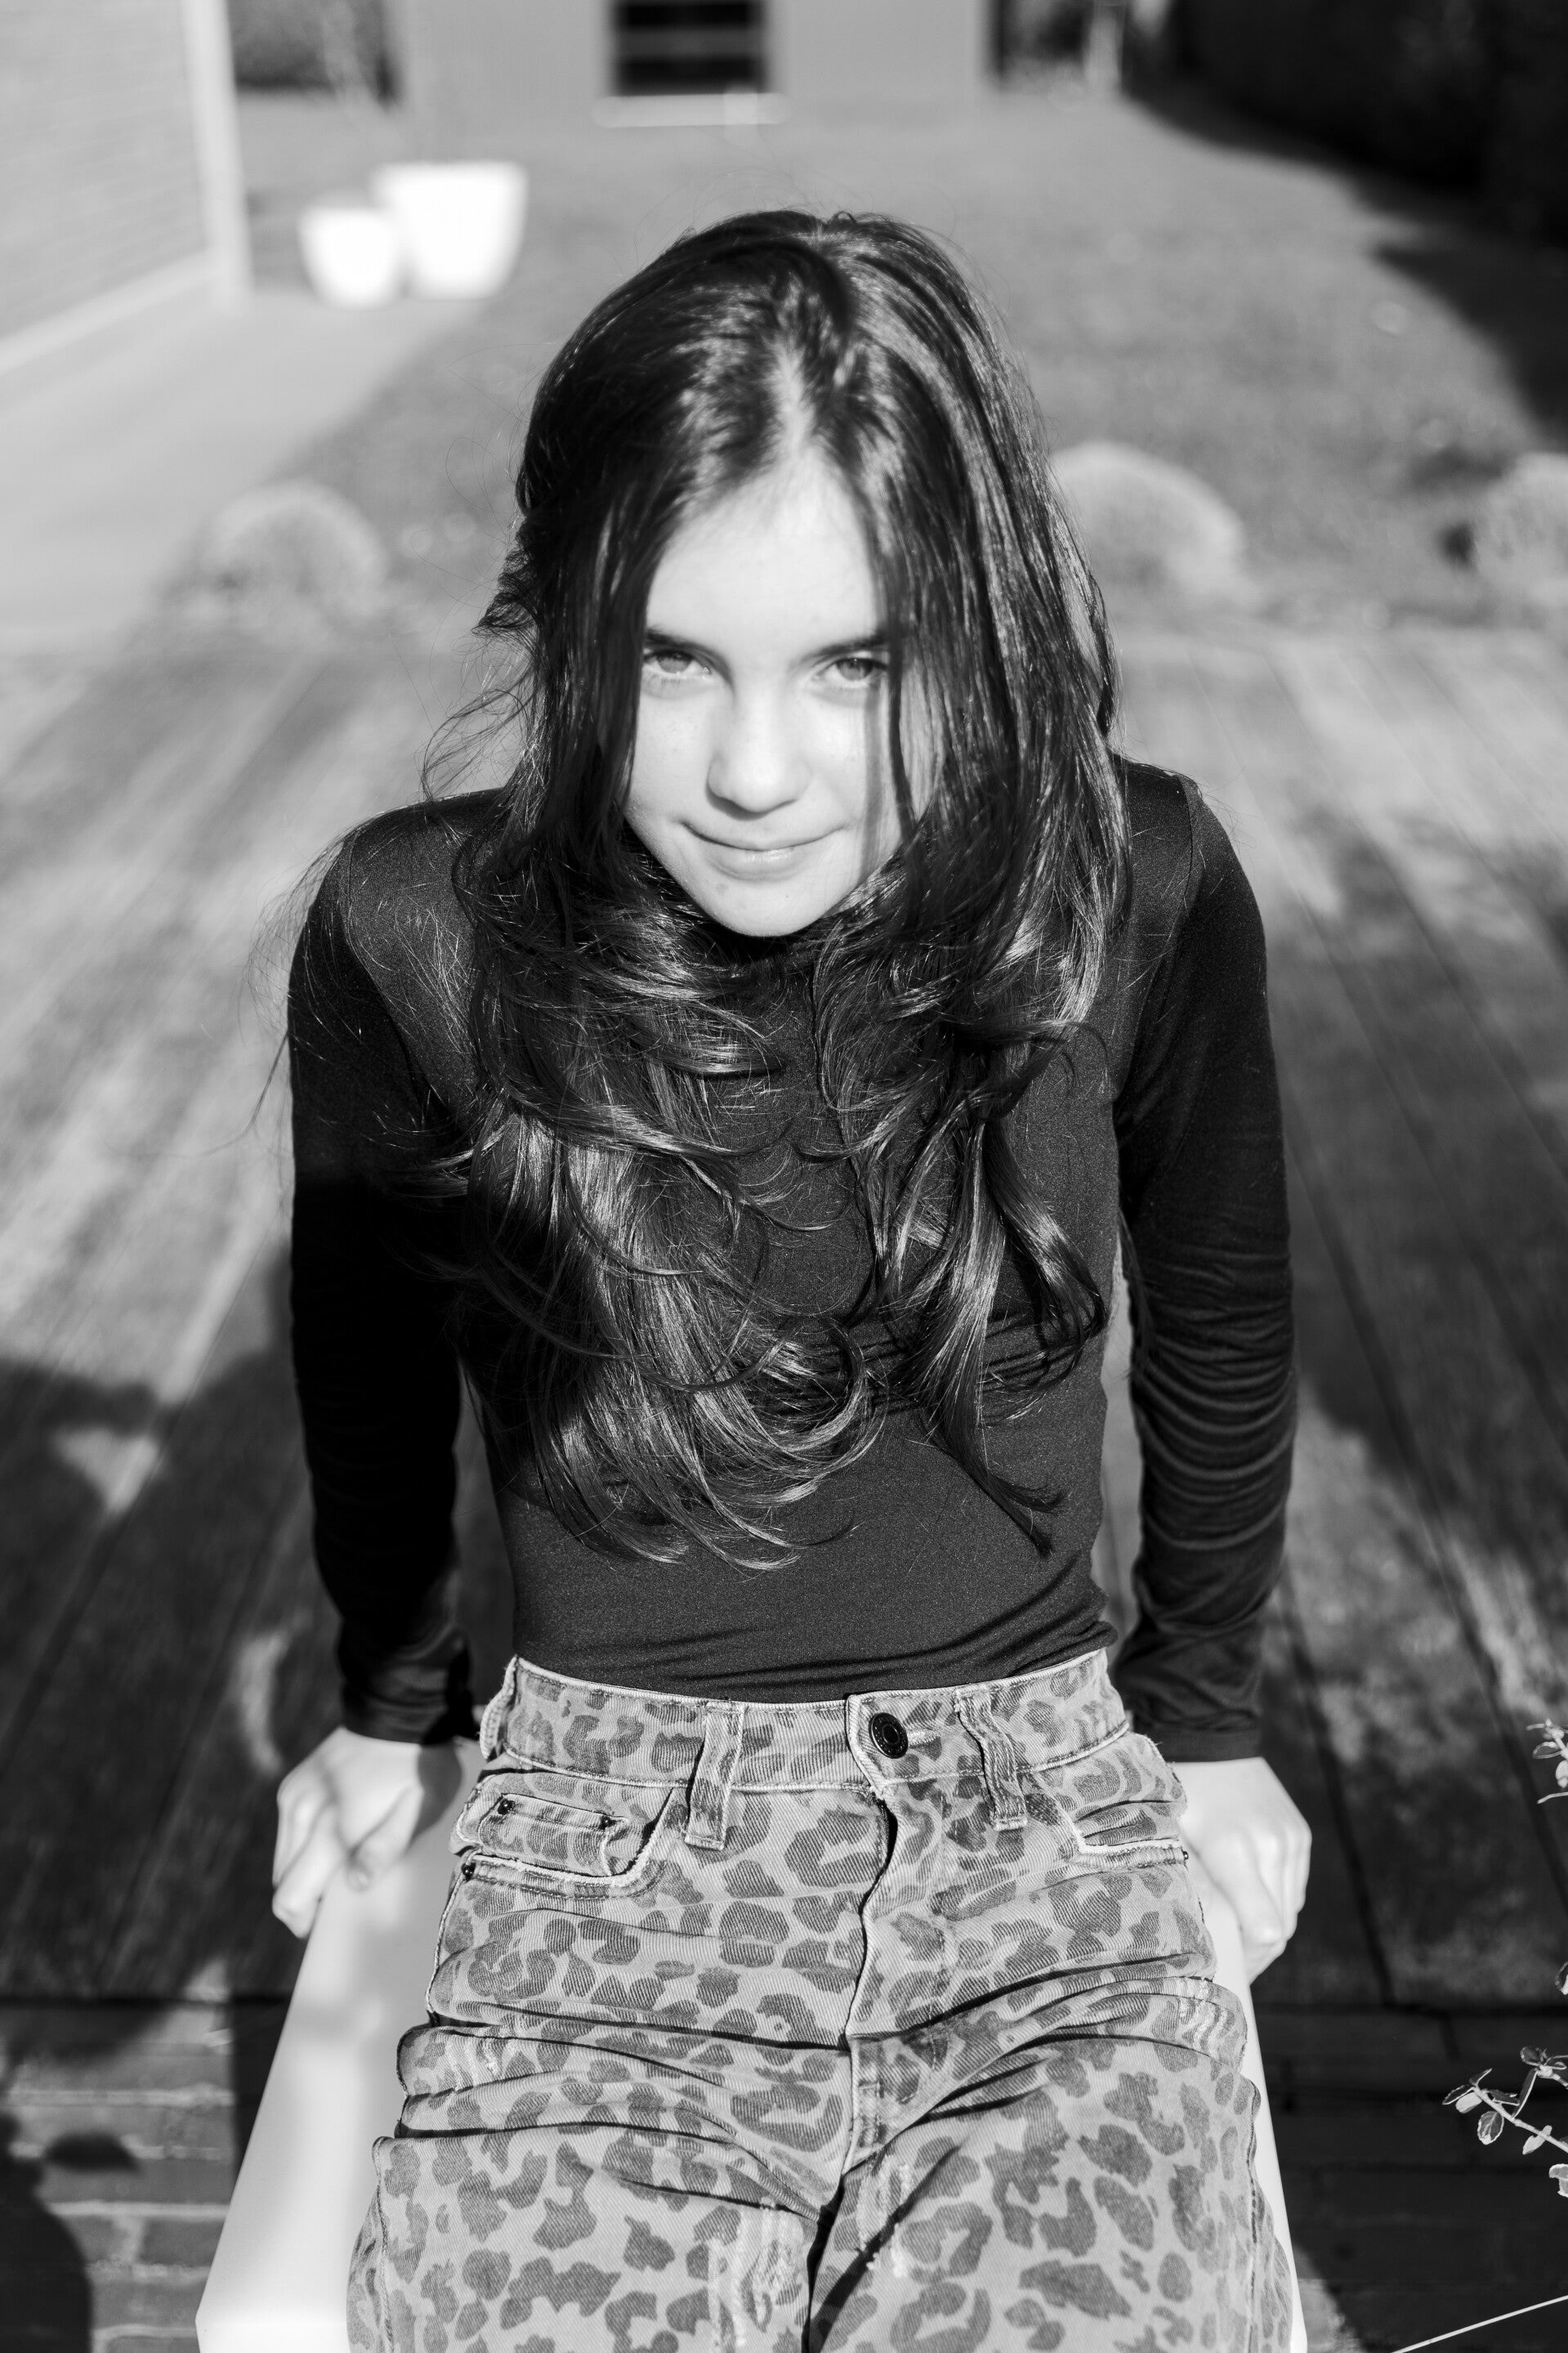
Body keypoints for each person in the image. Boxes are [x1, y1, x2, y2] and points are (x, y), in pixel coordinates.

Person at [273, 208, 1308, 2351]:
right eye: (671, 660)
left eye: (857, 665)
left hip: (1039, 1841)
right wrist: (393, 1703)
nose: (755, 772)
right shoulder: (417, 936)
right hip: (598, 1869)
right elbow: (365, 1353)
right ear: (565, 620)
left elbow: (1220, 1324)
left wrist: (1204, 1720)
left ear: (985, 625)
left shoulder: (1132, 888)